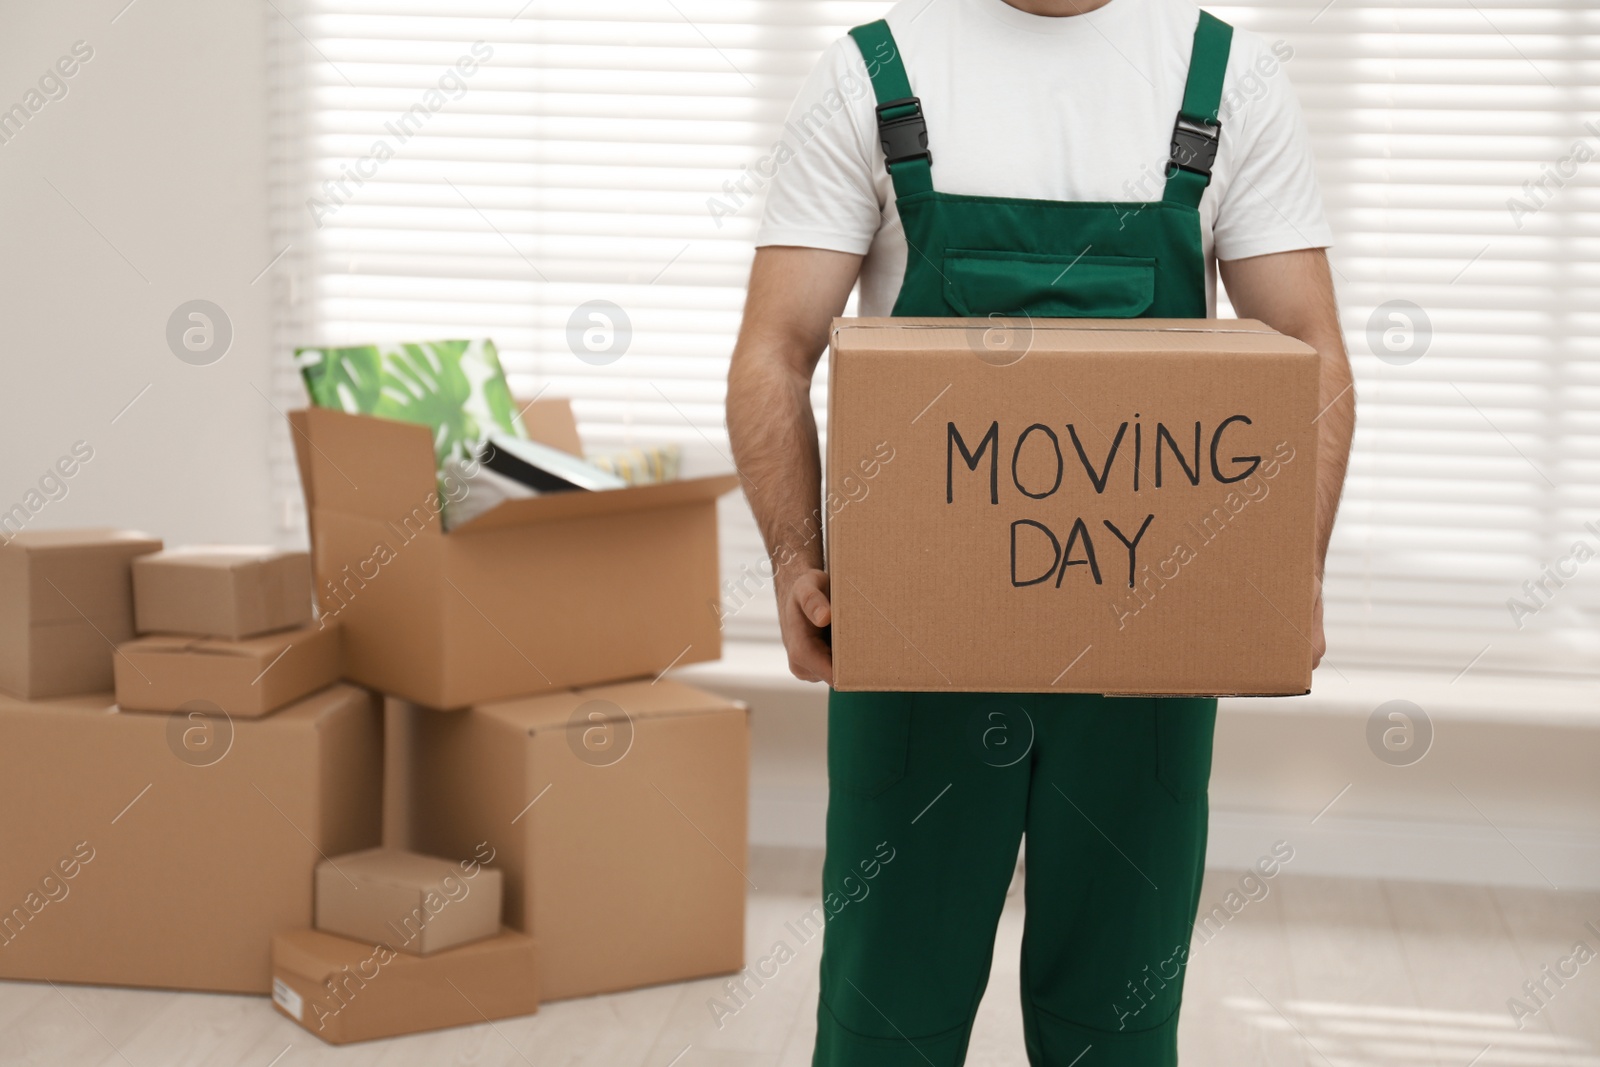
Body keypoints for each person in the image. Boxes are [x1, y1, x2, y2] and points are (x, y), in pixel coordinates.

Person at [725, 0, 1355, 1063]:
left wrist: (1285, 572)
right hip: (916, 652)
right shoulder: (872, 74)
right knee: (887, 1012)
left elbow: (1308, 352)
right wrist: (795, 558)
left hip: (1151, 648)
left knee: (1113, 1021)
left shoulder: (1227, 80)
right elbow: (775, 348)